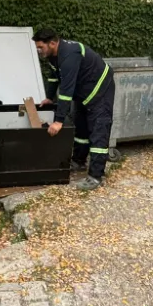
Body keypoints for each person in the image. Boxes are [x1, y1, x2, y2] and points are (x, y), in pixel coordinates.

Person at [32, 29, 115, 191]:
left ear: (53, 43)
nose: (38, 50)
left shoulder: (69, 56)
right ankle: (78, 161)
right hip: (84, 92)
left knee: (99, 131)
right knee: (81, 129)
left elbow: (66, 91)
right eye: (37, 47)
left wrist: (58, 121)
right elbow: (54, 77)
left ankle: (95, 176)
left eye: (41, 47)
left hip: (100, 90)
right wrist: (49, 97)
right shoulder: (52, 56)